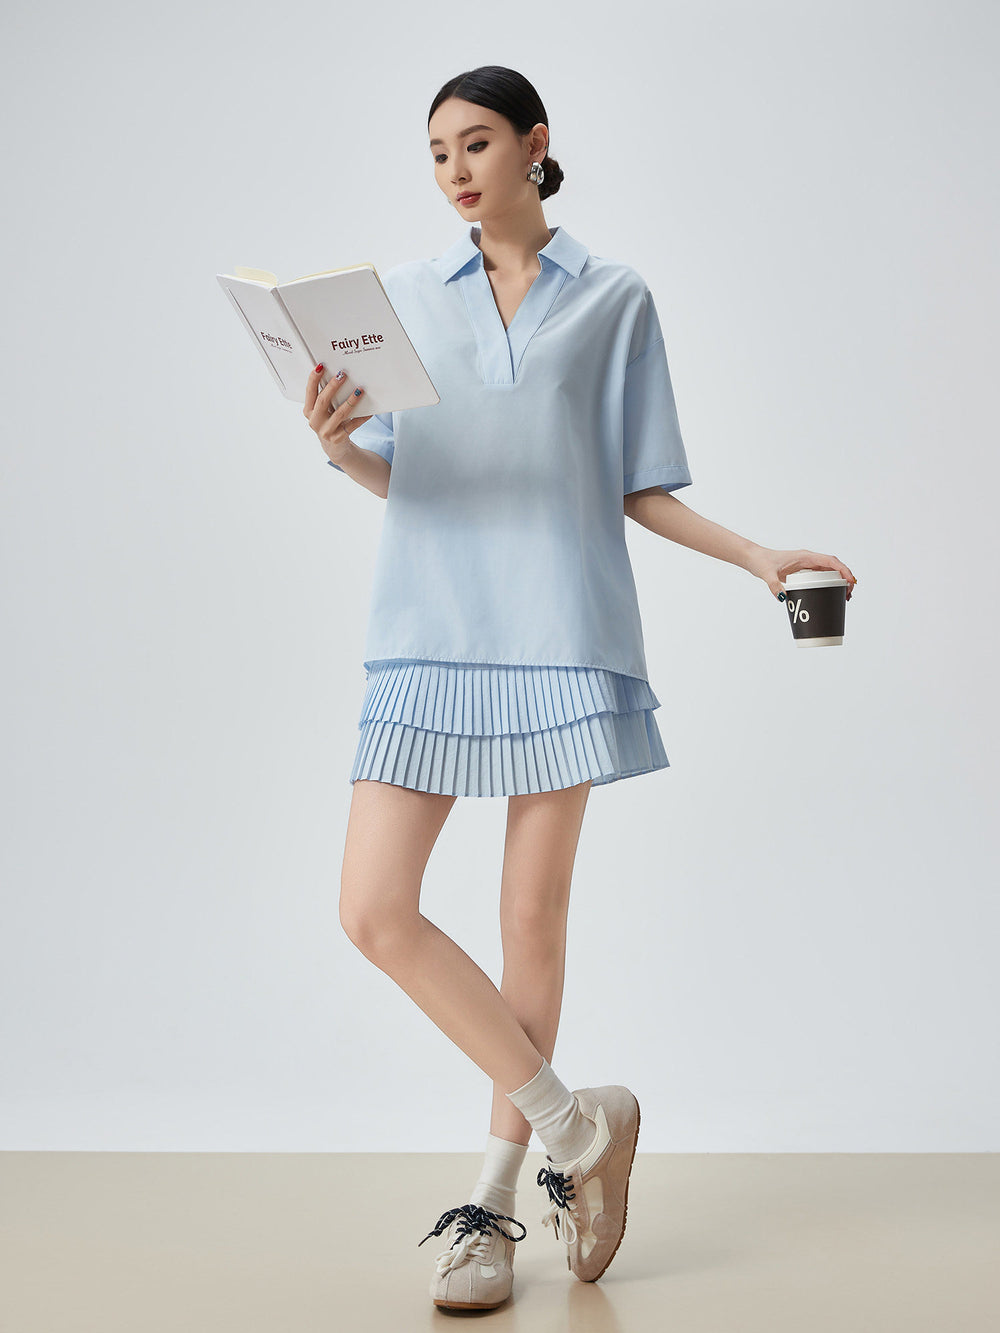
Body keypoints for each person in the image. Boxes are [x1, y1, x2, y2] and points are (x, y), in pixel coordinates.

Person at [304, 66, 857, 1313]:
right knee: (373, 907)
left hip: (562, 634)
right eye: (437, 149)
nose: (454, 168)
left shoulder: (614, 299)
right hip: (427, 632)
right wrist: (338, 442)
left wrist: (761, 556)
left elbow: (634, 482)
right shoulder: (399, 298)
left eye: (477, 142)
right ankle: (578, 1130)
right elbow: (409, 478)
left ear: (535, 145)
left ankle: (493, 1213)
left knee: (528, 923)